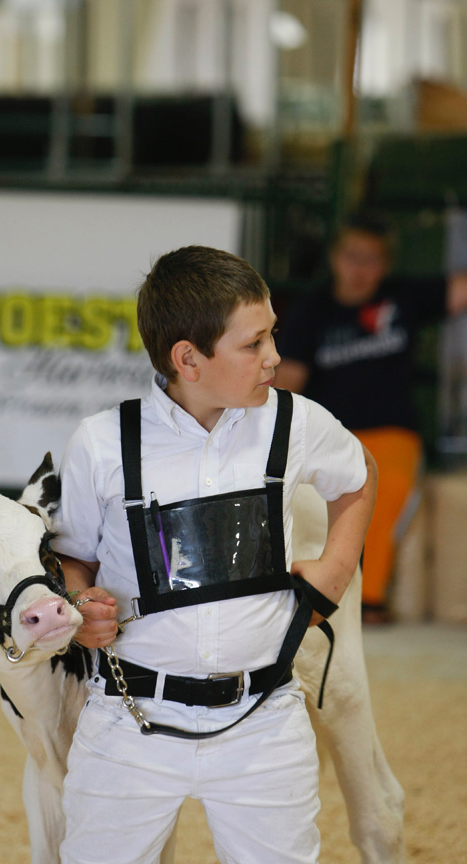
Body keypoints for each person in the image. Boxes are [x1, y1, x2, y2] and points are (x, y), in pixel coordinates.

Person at [53, 245, 377, 864]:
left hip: (265, 725)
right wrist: (78, 602)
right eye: (254, 344)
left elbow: (360, 473)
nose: (274, 356)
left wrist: (336, 569)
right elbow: (75, 559)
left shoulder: (294, 422)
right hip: (129, 726)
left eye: (272, 334)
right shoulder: (102, 443)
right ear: (188, 359)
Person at [276, 212, 467, 625]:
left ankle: (369, 599)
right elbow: (288, 382)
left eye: (372, 259)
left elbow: (458, 290)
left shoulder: (403, 297)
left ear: (386, 264)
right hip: (331, 433)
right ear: (334, 257)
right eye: (352, 256)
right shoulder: (312, 310)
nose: (360, 269)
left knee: (383, 487)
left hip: (393, 432)